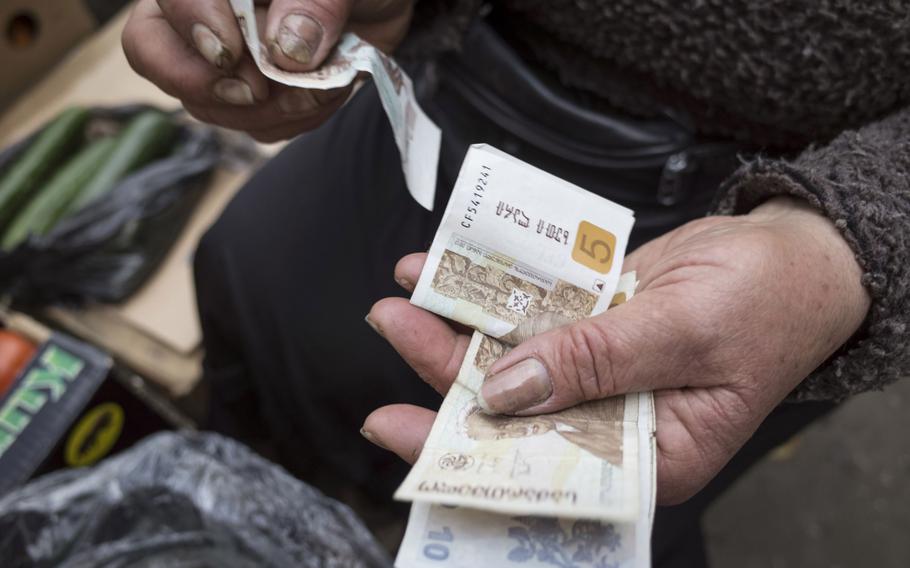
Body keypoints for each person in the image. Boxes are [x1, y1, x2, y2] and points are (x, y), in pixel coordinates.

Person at [122, 1, 909, 565]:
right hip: (461, 70)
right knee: (245, 266)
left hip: (775, 192)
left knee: (589, 514)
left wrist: (845, 240)